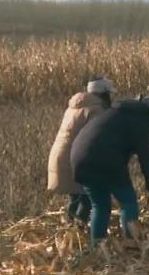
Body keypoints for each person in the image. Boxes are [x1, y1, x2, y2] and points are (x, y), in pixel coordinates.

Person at [71, 96, 149, 246]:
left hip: (79, 159)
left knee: (99, 205)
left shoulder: (116, 112)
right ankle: (130, 242)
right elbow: (146, 158)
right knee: (128, 202)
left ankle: (97, 247)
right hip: (105, 161)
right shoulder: (140, 120)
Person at [47, 77, 114, 223]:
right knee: (87, 200)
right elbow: (97, 139)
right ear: (104, 94)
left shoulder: (74, 107)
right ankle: (77, 234)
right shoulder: (96, 110)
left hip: (60, 157)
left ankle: (69, 234)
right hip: (76, 159)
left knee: (75, 198)